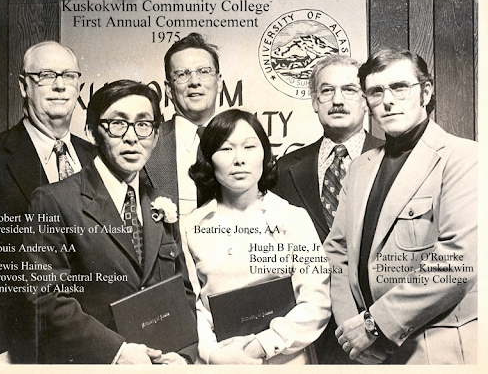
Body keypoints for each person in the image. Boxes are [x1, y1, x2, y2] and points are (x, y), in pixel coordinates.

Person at [21, 80, 197, 364]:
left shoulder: (160, 202)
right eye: (118, 124)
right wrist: (117, 352)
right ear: (92, 132)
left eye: (144, 125)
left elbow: (183, 289)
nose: (132, 137)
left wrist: (184, 355)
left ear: (155, 134)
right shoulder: (54, 200)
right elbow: (44, 298)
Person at [325, 48, 477, 364]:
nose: (388, 100)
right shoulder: (361, 167)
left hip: (437, 346)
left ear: (426, 91)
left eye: (399, 87)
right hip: (370, 351)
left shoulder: (465, 158)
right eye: (376, 91)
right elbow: (336, 252)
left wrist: (374, 325)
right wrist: (352, 330)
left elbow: (458, 262)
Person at [184, 109, 331, 364]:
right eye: (226, 149)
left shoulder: (294, 218)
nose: (239, 159)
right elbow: (192, 307)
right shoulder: (191, 226)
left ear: (265, 155)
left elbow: (317, 302)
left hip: (286, 360)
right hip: (219, 363)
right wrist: (215, 355)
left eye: (249, 147)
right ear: (209, 159)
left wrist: (260, 347)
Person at [271, 54, 384, 364]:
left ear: (365, 101)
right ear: (314, 101)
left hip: (375, 329)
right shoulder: (284, 170)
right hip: (306, 331)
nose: (337, 100)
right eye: (326, 91)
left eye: (349, 90)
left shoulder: (395, 161)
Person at [0, 41, 94, 361]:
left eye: (69, 76)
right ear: (24, 85)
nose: (60, 85)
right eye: (46, 75)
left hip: (99, 341)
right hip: (25, 348)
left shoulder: (96, 158)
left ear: (78, 86)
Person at [142, 32, 223, 217]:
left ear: (219, 82)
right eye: (182, 74)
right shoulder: (144, 142)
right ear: (169, 89)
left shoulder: (243, 141)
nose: (194, 82)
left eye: (204, 72)